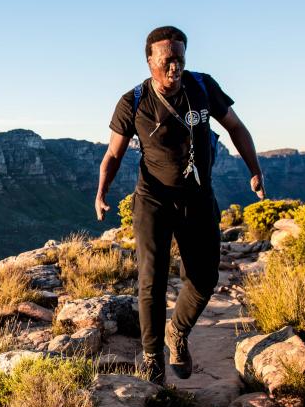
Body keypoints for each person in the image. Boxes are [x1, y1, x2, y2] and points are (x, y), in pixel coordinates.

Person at [94, 26, 265, 384]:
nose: (175, 68)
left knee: (204, 279)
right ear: (150, 61)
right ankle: (154, 360)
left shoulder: (203, 87)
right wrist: (102, 192)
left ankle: (178, 332)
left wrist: (255, 170)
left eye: (181, 60)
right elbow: (112, 153)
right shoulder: (134, 101)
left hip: (199, 197)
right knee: (151, 280)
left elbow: (236, 127)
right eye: (167, 61)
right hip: (153, 199)